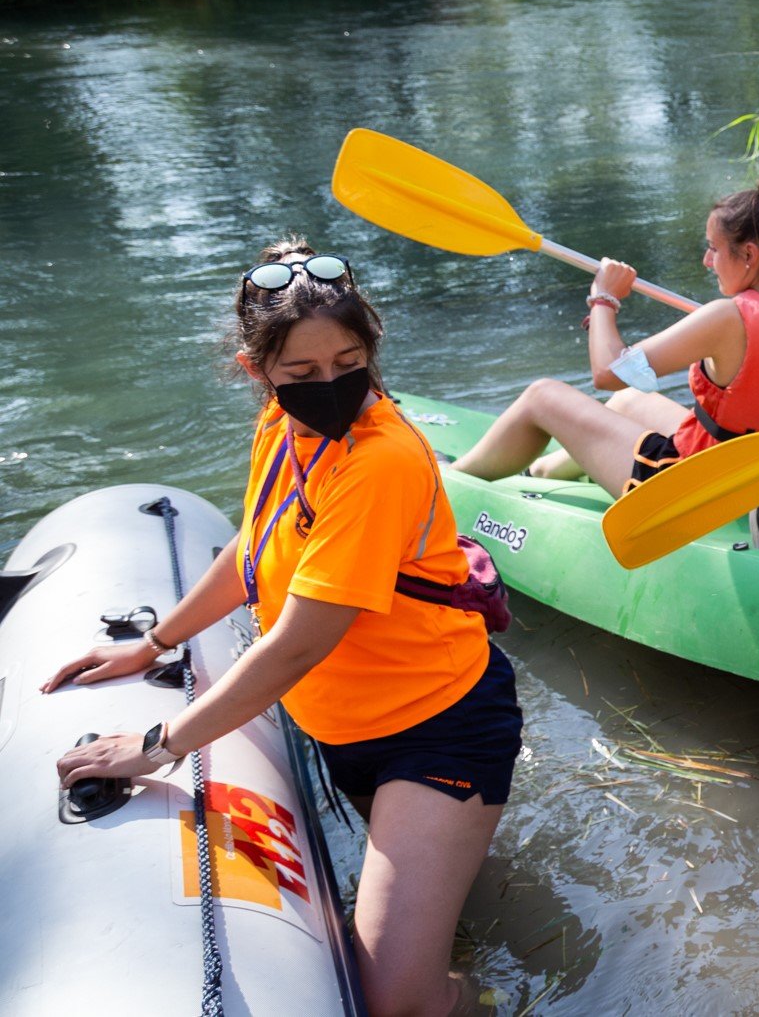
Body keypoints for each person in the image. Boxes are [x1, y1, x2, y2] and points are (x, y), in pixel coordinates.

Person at [45, 239, 520, 1017]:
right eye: (301, 374)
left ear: (371, 348)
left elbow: (300, 638)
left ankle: (491, 1001)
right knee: (436, 913)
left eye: (349, 360)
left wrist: (156, 745)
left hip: (441, 725)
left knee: (396, 998)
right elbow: (255, 549)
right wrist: (155, 643)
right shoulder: (283, 428)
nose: (330, 386)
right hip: (347, 732)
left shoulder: (379, 462)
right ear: (256, 371)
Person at [450, 171, 759, 554]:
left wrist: (604, 297)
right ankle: (543, 470)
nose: (707, 261)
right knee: (628, 402)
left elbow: (606, 372)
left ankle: (452, 482)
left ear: (748, 255)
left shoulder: (726, 317)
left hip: (691, 490)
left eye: (713, 249)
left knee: (543, 395)